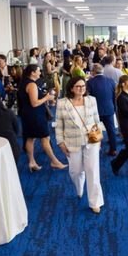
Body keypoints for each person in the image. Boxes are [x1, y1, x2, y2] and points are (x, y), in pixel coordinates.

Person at [55, 76, 104, 213]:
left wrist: (99, 139)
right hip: (72, 142)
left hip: (91, 141)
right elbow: (59, 126)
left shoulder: (91, 100)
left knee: (93, 171)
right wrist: (60, 143)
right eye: (78, 86)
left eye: (83, 86)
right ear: (71, 88)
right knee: (76, 171)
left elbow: (96, 120)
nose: (81, 89)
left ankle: (95, 202)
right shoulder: (62, 103)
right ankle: (79, 185)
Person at [18, 63, 66, 172]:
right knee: (45, 137)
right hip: (35, 115)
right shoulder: (32, 85)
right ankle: (54, 161)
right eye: (38, 71)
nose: (40, 72)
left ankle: (31, 162)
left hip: (28, 114)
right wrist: (47, 97)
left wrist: (44, 96)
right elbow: (34, 103)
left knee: (30, 137)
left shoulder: (26, 83)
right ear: (33, 73)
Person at [86, 63, 118, 156]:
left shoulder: (90, 82)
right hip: (109, 108)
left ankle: (96, 149)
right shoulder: (111, 81)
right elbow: (114, 96)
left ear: (93, 72)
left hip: (95, 111)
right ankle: (113, 149)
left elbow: (88, 98)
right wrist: (114, 108)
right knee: (111, 130)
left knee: (94, 130)